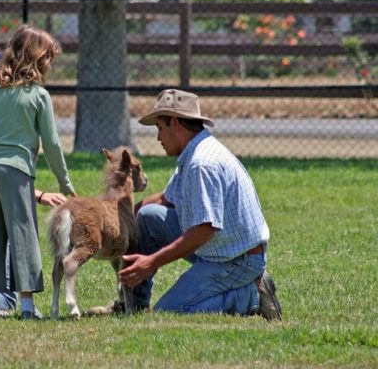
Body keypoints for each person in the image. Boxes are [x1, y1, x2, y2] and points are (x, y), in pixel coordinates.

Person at [95, 89, 282, 320]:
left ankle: (251, 295)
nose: (158, 138)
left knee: (171, 312)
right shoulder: (193, 153)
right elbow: (166, 199)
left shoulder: (201, 164)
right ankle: (133, 304)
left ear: (175, 124)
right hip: (220, 248)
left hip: (237, 259)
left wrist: (151, 261)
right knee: (147, 216)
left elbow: (204, 230)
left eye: (160, 128)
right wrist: (117, 215)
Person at [0, 25, 77, 320]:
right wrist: (66, 183)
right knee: (23, 234)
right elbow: (51, 144)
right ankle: (26, 306)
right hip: (16, 170)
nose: (51, 63)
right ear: (36, 58)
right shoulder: (38, 96)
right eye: (48, 57)